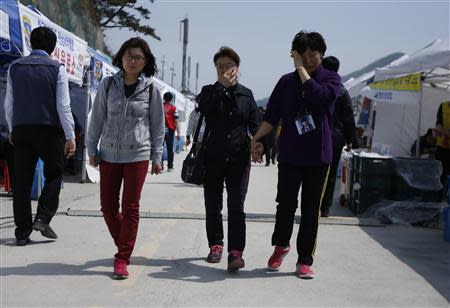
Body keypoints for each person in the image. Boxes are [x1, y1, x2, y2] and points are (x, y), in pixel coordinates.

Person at [251, 31, 341, 279]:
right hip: (290, 154)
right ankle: (281, 245)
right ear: (295, 54)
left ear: (321, 54)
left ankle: (304, 260)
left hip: (318, 158)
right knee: (285, 205)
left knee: (311, 210)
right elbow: (272, 116)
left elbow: (317, 95)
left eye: (313, 54)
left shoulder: (331, 79)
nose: (309, 59)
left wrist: (301, 70)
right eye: (304, 55)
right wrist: (257, 138)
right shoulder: (285, 82)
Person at [87, 37, 165, 280]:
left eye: (139, 58)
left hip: (137, 155)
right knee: (108, 207)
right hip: (109, 153)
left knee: (130, 207)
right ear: (121, 57)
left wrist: (157, 156)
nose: (133, 61)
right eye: (129, 56)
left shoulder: (152, 89)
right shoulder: (108, 85)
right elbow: (97, 118)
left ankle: (122, 257)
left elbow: (157, 126)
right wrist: (91, 148)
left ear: (145, 62)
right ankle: (125, 242)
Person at [4, 27, 76, 246]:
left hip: (22, 129)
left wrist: (11, 129)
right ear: (53, 47)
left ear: (30, 43)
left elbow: (9, 103)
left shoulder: (14, 67)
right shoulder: (57, 68)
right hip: (49, 129)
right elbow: (63, 105)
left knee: (22, 182)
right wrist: (70, 135)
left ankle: (22, 232)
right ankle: (43, 219)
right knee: (54, 173)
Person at [198, 46, 260, 271]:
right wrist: (221, 88)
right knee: (213, 205)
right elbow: (204, 109)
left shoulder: (246, 94)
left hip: (238, 158)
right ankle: (215, 245)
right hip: (212, 157)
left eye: (228, 66)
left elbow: (255, 125)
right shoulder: (208, 91)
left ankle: (236, 252)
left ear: (237, 68)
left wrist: (258, 143)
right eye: (219, 67)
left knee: (236, 206)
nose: (223, 70)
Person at [320, 56, 356, 217]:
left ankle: (313, 205)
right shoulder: (342, 91)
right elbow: (348, 118)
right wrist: (350, 140)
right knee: (331, 172)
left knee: (313, 173)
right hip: (336, 138)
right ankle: (325, 207)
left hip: (317, 138)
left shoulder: (316, 87)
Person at [434, 101, 450, 190]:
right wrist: (440, 130)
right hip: (442, 147)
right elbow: (439, 123)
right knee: (440, 175)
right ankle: (440, 197)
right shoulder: (443, 106)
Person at [162, 92, 180, 171]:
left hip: (160, 130)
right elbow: (176, 121)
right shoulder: (174, 108)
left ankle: (160, 165)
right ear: (171, 99)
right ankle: (170, 166)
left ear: (163, 98)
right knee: (170, 148)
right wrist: (178, 133)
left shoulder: (160, 106)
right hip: (170, 130)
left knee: (160, 148)